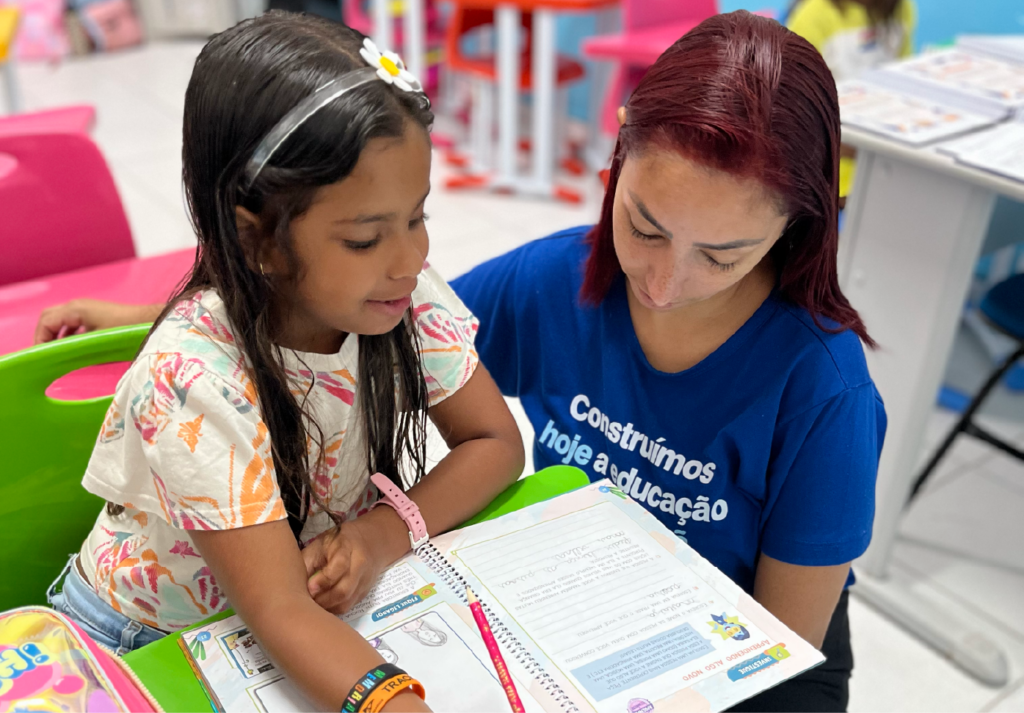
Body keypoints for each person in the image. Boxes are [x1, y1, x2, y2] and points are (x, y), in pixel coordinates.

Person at [37, 11, 883, 711]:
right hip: (168, 635)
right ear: (619, 154)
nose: (662, 285)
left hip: (711, 652)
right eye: (645, 227)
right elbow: (256, 316)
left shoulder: (824, 390)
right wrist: (157, 318)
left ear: (799, 228)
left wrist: (385, 531)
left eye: (723, 256)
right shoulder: (547, 280)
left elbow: (782, 652)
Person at [44, 12, 524, 713]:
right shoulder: (194, 378)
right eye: (365, 239)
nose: (411, 258)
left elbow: (495, 441)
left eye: (417, 217)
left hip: (287, 625)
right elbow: (279, 610)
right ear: (257, 241)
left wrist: (383, 532)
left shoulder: (396, 295)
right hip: (147, 644)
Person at [785, 0, 916, 201]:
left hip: (889, 151)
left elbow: (905, 82)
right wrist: (858, 151)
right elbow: (794, 116)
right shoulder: (813, 16)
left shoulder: (901, 7)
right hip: (833, 166)